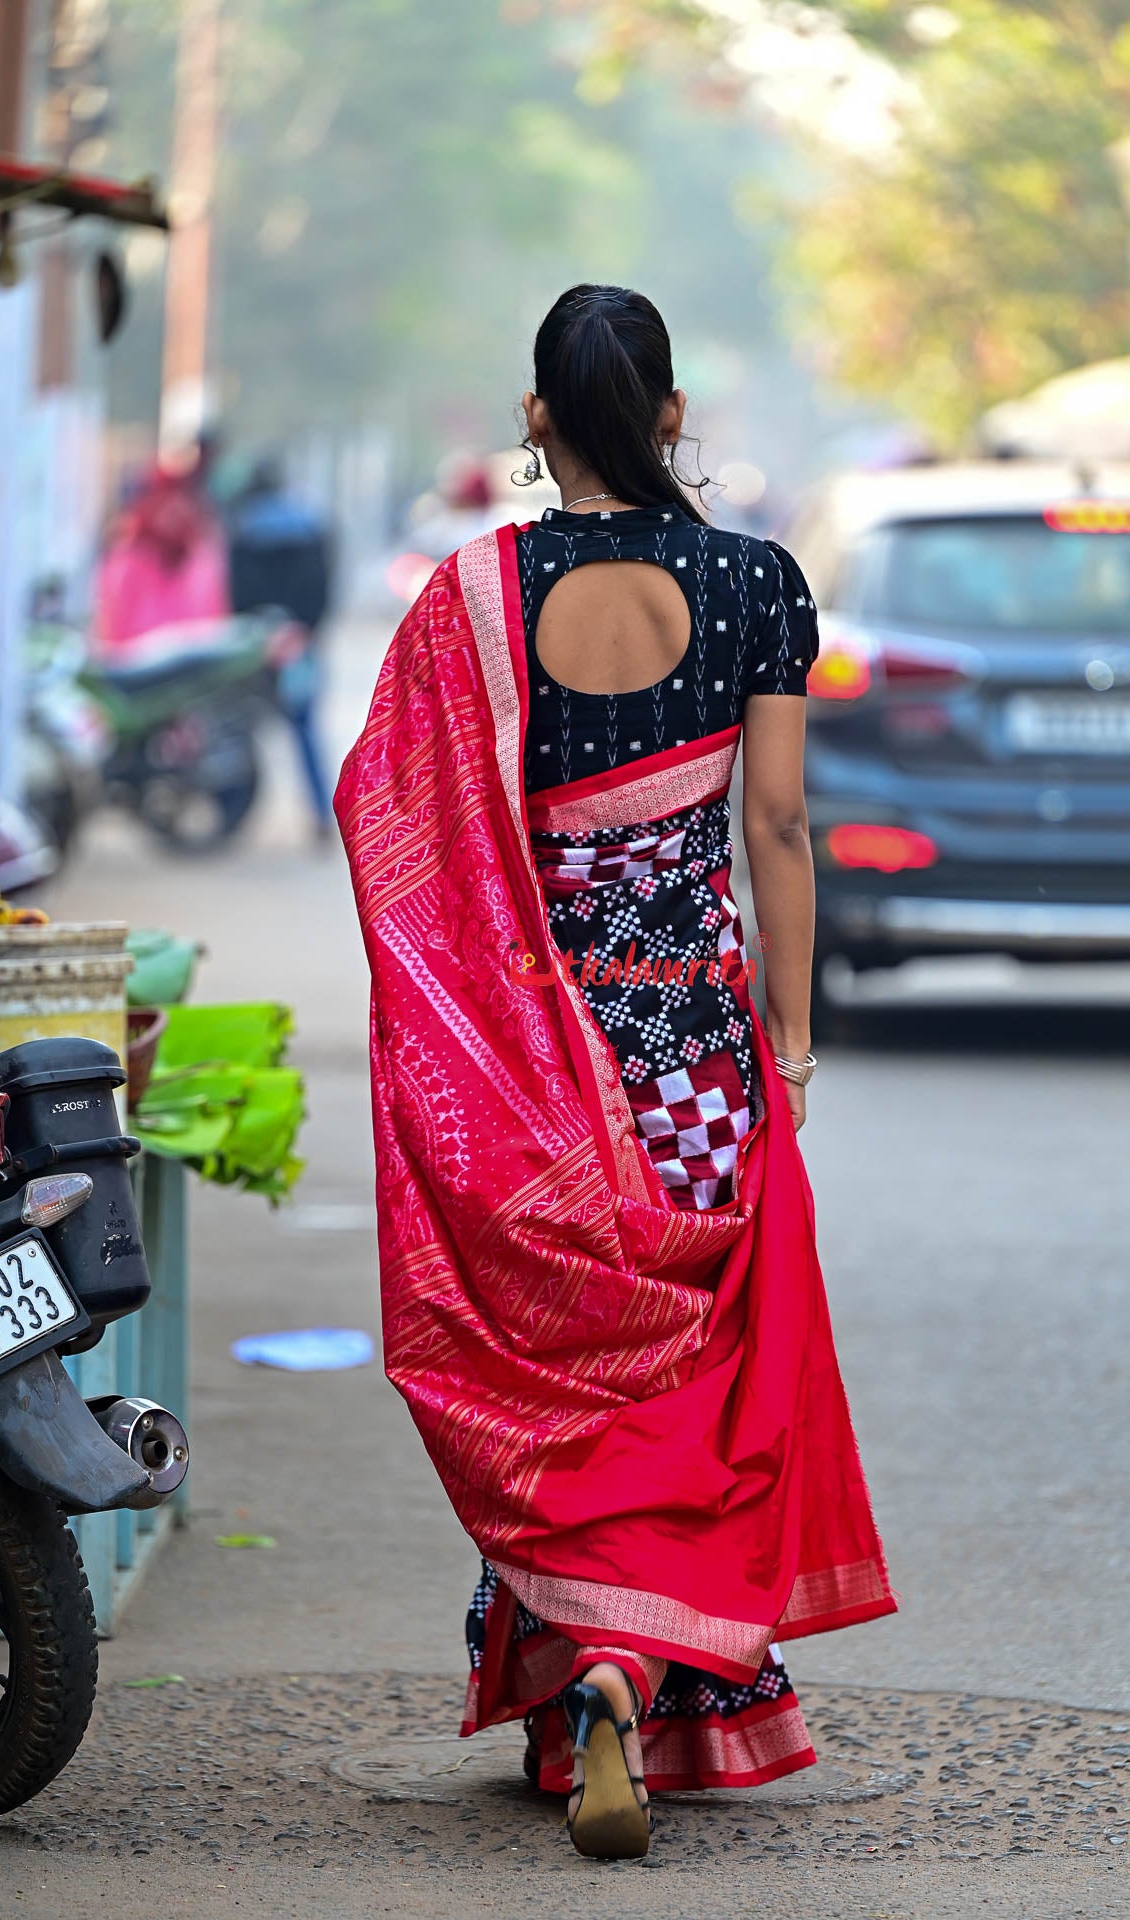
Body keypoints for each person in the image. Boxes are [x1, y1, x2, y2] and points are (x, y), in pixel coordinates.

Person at [336, 285, 895, 1862]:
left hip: (522, 1056)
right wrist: (788, 1043)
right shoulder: (755, 583)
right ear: (666, 415)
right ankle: (641, 1667)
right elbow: (774, 830)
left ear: (534, 419)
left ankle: (587, 1658)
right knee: (697, 1374)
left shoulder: (470, 596)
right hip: (692, 1053)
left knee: (562, 1369)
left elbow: (408, 829)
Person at [227, 457, 335, 837]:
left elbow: (236, 591)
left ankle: (231, 815)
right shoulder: (310, 524)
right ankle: (322, 811)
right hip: (301, 643)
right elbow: (324, 584)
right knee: (304, 728)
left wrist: (259, 630)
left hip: (253, 645)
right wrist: (304, 628)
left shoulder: (241, 527)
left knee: (236, 727)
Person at [93, 460, 230, 657]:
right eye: (164, 500)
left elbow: (214, 621)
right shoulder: (127, 559)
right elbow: (113, 630)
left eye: (178, 500)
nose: (172, 510)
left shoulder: (201, 557)